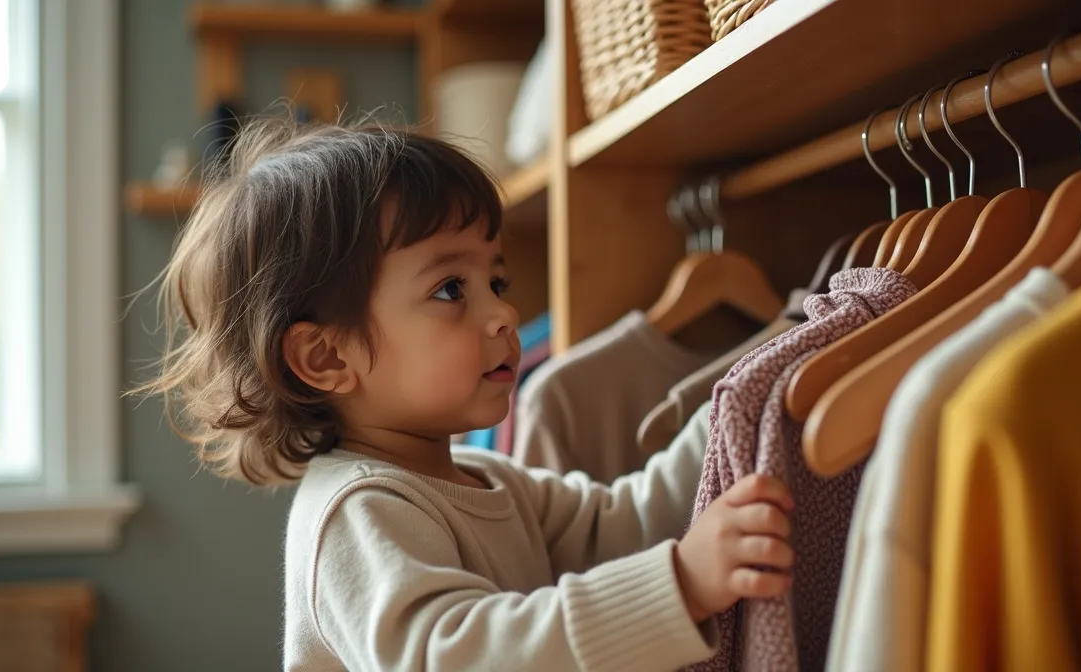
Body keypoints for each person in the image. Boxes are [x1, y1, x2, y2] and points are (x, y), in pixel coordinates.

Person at [137, 116, 794, 671]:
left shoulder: (491, 482)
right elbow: (457, 654)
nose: (504, 315)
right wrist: (679, 584)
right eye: (451, 290)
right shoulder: (356, 513)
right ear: (326, 356)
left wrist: (747, 393)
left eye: (496, 282)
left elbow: (624, 523)